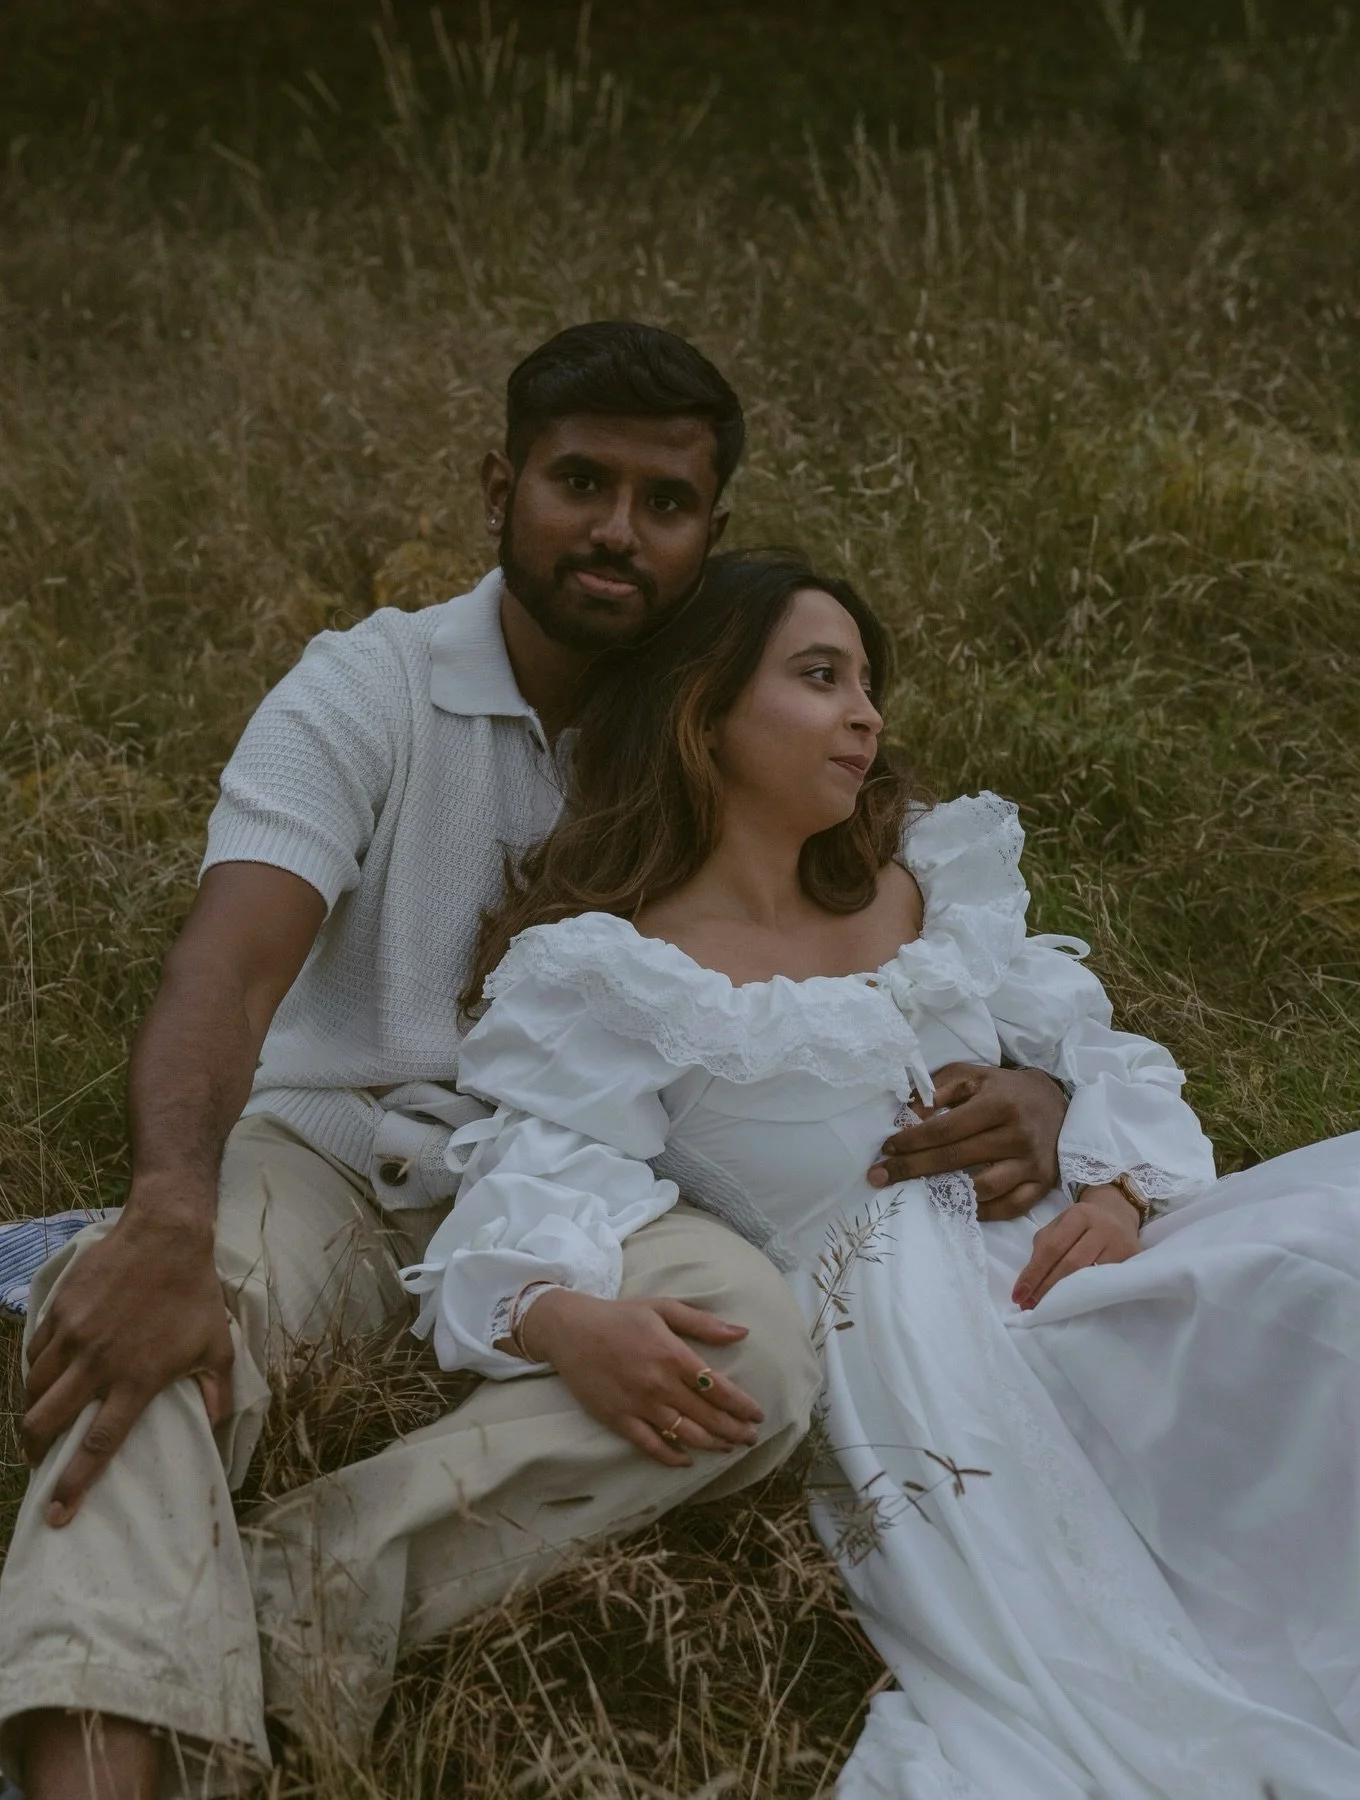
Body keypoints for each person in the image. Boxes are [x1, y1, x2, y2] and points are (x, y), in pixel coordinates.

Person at [0, 327, 1067, 1800]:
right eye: (580, 482)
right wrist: (169, 1210)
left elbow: (912, 921)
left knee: (753, 1355)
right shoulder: (367, 689)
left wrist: (1043, 1081)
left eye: (666, 501)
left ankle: (295, 1602)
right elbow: (226, 968)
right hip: (330, 1154)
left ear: (710, 532)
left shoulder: (730, 719)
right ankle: (98, 1751)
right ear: (501, 486)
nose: (619, 529)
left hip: (601, 1186)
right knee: (151, 1311)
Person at [405, 547, 1360, 1799]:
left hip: (1088, 1267)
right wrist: (559, 1315)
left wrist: (1111, 1182)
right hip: (923, 1355)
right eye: (819, 677)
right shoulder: (616, 976)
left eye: (867, 684)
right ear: (704, 708)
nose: (865, 715)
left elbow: (1102, 1052)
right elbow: (528, 1187)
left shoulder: (928, 889)